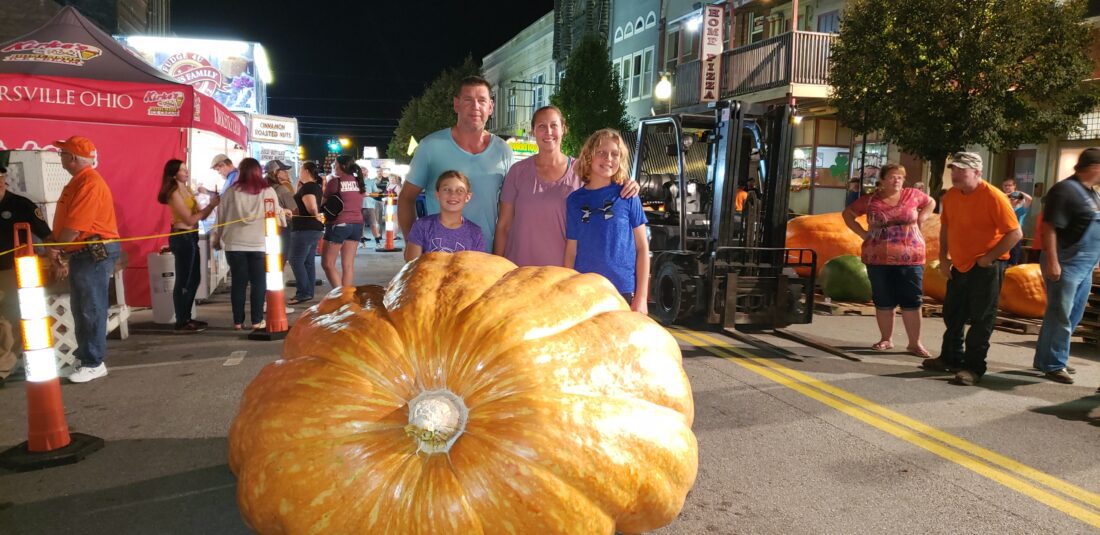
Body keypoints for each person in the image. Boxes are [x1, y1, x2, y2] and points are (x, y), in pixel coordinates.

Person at [494, 106, 640, 267]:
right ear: (533, 131)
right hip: (519, 270)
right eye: (541, 126)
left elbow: (611, 184)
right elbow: (503, 226)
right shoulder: (518, 172)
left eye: (554, 125)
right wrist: (497, 269)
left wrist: (629, 184)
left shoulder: (583, 170)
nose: (548, 131)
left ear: (563, 129)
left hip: (563, 273)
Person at [921, 152, 1021, 386]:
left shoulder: (994, 197)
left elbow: (1015, 233)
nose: (955, 174)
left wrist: (989, 258)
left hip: (985, 267)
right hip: (959, 264)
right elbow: (946, 227)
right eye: (953, 169)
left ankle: (974, 368)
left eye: (961, 170)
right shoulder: (953, 196)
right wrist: (943, 257)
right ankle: (951, 357)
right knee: (953, 313)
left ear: (977, 172)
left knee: (981, 318)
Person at [399, 76, 514, 251]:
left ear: (490, 107)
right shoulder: (430, 146)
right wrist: (413, 246)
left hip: (485, 261)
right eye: (468, 100)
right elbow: (406, 199)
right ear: (456, 104)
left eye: (482, 100)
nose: (475, 106)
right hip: (438, 260)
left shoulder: (503, 151)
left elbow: (507, 211)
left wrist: (499, 258)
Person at [47, 136, 121, 383]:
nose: (61, 157)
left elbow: (75, 226)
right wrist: (61, 248)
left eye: (63, 153)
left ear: (74, 158)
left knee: (90, 307)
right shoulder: (81, 181)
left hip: (92, 252)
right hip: (85, 252)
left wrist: (58, 249)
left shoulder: (89, 183)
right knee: (83, 308)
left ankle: (93, 361)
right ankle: (87, 358)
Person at [843, 163, 936, 357]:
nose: (897, 180)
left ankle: (914, 343)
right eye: (893, 177)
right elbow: (849, 214)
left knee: (912, 299)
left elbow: (931, 202)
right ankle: (886, 339)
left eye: (900, 177)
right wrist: (863, 233)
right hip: (878, 257)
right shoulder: (870, 201)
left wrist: (923, 217)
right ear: (883, 180)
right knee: (883, 298)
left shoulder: (912, 195)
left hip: (911, 256)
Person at [1032, 148, 1100, 384]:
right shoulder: (1065, 190)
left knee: (1073, 314)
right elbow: (1049, 227)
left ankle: (1046, 358)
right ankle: (1054, 363)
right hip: (1066, 261)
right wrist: (1052, 261)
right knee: (1060, 313)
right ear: (1094, 167)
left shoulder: (1092, 193)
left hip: (1085, 264)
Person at [564, 129, 649, 314]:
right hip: (584, 289)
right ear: (589, 157)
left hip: (622, 290)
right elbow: (571, 250)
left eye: (615, 154)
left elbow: (642, 248)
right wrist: (567, 290)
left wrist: (641, 297)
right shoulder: (574, 201)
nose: (608, 158)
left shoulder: (628, 196)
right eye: (601, 153)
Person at [213, 158, 284, 331]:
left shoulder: (230, 191)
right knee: (258, 283)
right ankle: (257, 320)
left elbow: (220, 217)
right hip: (259, 243)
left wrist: (217, 238)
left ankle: (238, 321)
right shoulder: (267, 191)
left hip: (234, 244)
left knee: (238, 282)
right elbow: (276, 214)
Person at [0, 165, 52, 384]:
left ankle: (3, 367)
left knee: (8, 320)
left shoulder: (20, 205)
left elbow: (47, 235)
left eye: (1, 177)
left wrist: (57, 260)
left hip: (12, 270)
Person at [156, 159, 219, 333]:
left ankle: (187, 317)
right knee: (184, 279)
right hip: (182, 236)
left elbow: (201, 215)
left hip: (191, 236)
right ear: (174, 173)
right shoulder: (174, 192)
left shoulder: (187, 189)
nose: (186, 172)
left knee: (194, 278)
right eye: (183, 170)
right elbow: (189, 219)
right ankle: (181, 320)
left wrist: (209, 205)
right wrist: (210, 206)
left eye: (186, 169)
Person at [404, 171, 485, 261]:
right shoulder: (421, 226)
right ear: (437, 194)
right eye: (446, 189)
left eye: (460, 190)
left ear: (467, 197)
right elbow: (412, 267)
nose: (453, 195)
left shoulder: (475, 233)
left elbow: (476, 270)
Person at [321, 155, 366, 288]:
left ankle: (339, 297)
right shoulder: (359, 182)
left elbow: (323, 203)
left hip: (338, 224)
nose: (334, 167)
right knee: (348, 266)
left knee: (328, 264)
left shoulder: (335, 182)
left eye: (335, 164)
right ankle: (346, 299)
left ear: (342, 166)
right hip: (357, 225)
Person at [288, 162, 325, 305]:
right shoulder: (314, 186)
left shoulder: (309, 187)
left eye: (301, 169)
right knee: (308, 262)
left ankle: (303, 292)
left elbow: (311, 207)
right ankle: (307, 292)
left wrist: (315, 214)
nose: (299, 172)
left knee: (296, 260)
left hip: (304, 229)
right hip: (312, 229)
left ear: (307, 171)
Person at [264, 160, 296, 266]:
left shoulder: (261, 188)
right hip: (282, 227)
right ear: (275, 172)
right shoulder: (282, 189)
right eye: (284, 171)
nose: (287, 173)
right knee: (279, 261)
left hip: (264, 228)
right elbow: (294, 209)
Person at [1001, 177, 1033, 265]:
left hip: (1015, 235)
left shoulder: (1020, 209)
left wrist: (1017, 193)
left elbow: (1029, 199)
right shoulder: (1003, 202)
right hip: (1002, 235)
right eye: (1005, 185)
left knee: (1013, 260)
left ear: (1014, 186)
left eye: (1009, 185)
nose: (1007, 187)